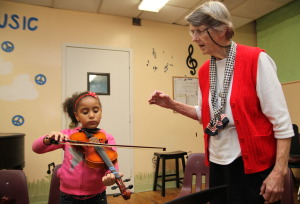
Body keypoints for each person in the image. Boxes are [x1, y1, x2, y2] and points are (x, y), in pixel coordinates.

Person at [148, 1, 294, 204]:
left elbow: (282, 123)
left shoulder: (256, 59)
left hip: (251, 165)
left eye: (199, 31)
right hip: (217, 164)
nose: (194, 38)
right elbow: (205, 115)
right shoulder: (205, 70)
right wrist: (172, 104)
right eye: (192, 32)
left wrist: (279, 172)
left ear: (223, 30)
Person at [32, 91, 121, 204]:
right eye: (85, 112)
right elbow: (36, 148)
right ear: (77, 116)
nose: (92, 115)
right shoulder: (68, 136)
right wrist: (48, 139)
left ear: (101, 113)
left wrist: (110, 176)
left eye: (95, 110)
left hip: (97, 195)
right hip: (68, 195)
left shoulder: (107, 138)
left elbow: (112, 165)